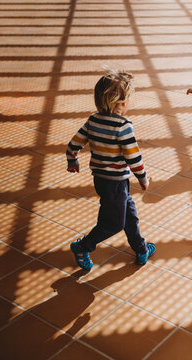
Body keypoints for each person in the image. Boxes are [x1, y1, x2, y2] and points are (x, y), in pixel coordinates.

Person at [65, 68, 155, 270]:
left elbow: (74, 143)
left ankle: (141, 249)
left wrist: (72, 160)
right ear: (122, 103)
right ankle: (83, 246)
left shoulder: (93, 120)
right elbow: (134, 157)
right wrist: (143, 178)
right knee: (114, 223)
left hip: (102, 180)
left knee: (129, 215)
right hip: (115, 183)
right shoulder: (123, 126)